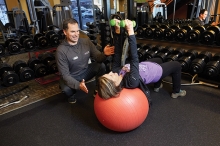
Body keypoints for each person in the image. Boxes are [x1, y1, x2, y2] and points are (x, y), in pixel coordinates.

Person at [97, 19, 186, 101]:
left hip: (144, 66)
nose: (111, 72)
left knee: (159, 59)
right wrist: (130, 31)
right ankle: (176, 91)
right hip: (154, 72)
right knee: (177, 65)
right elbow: (134, 58)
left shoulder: (116, 72)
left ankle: (157, 86)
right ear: (115, 85)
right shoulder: (131, 81)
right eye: (111, 76)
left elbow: (117, 54)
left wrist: (117, 30)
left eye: (108, 74)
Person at [55, 18, 114, 103]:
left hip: (85, 72)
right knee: (66, 90)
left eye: (77, 31)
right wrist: (78, 85)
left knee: (101, 66)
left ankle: (98, 89)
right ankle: (72, 95)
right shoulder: (61, 51)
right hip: (72, 76)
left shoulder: (86, 41)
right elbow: (65, 75)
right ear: (65, 32)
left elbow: (98, 58)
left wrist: (104, 54)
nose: (76, 34)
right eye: (72, 32)